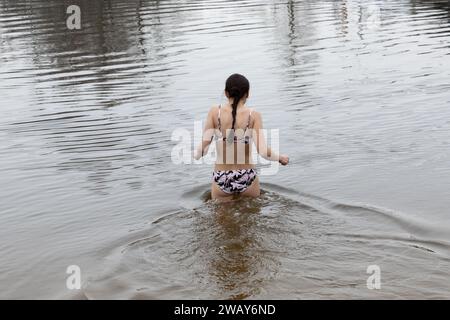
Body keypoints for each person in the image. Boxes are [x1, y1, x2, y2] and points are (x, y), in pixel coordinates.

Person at [194, 73, 289, 201]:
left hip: (221, 177)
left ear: (226, 93)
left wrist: (197, 154)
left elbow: (203, 148)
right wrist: (280, 158)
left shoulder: (214, 112)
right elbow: (263, 151)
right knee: (250, 218)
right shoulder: (254, 115)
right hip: (247, 176)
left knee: (222, 220)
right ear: (247, 94)